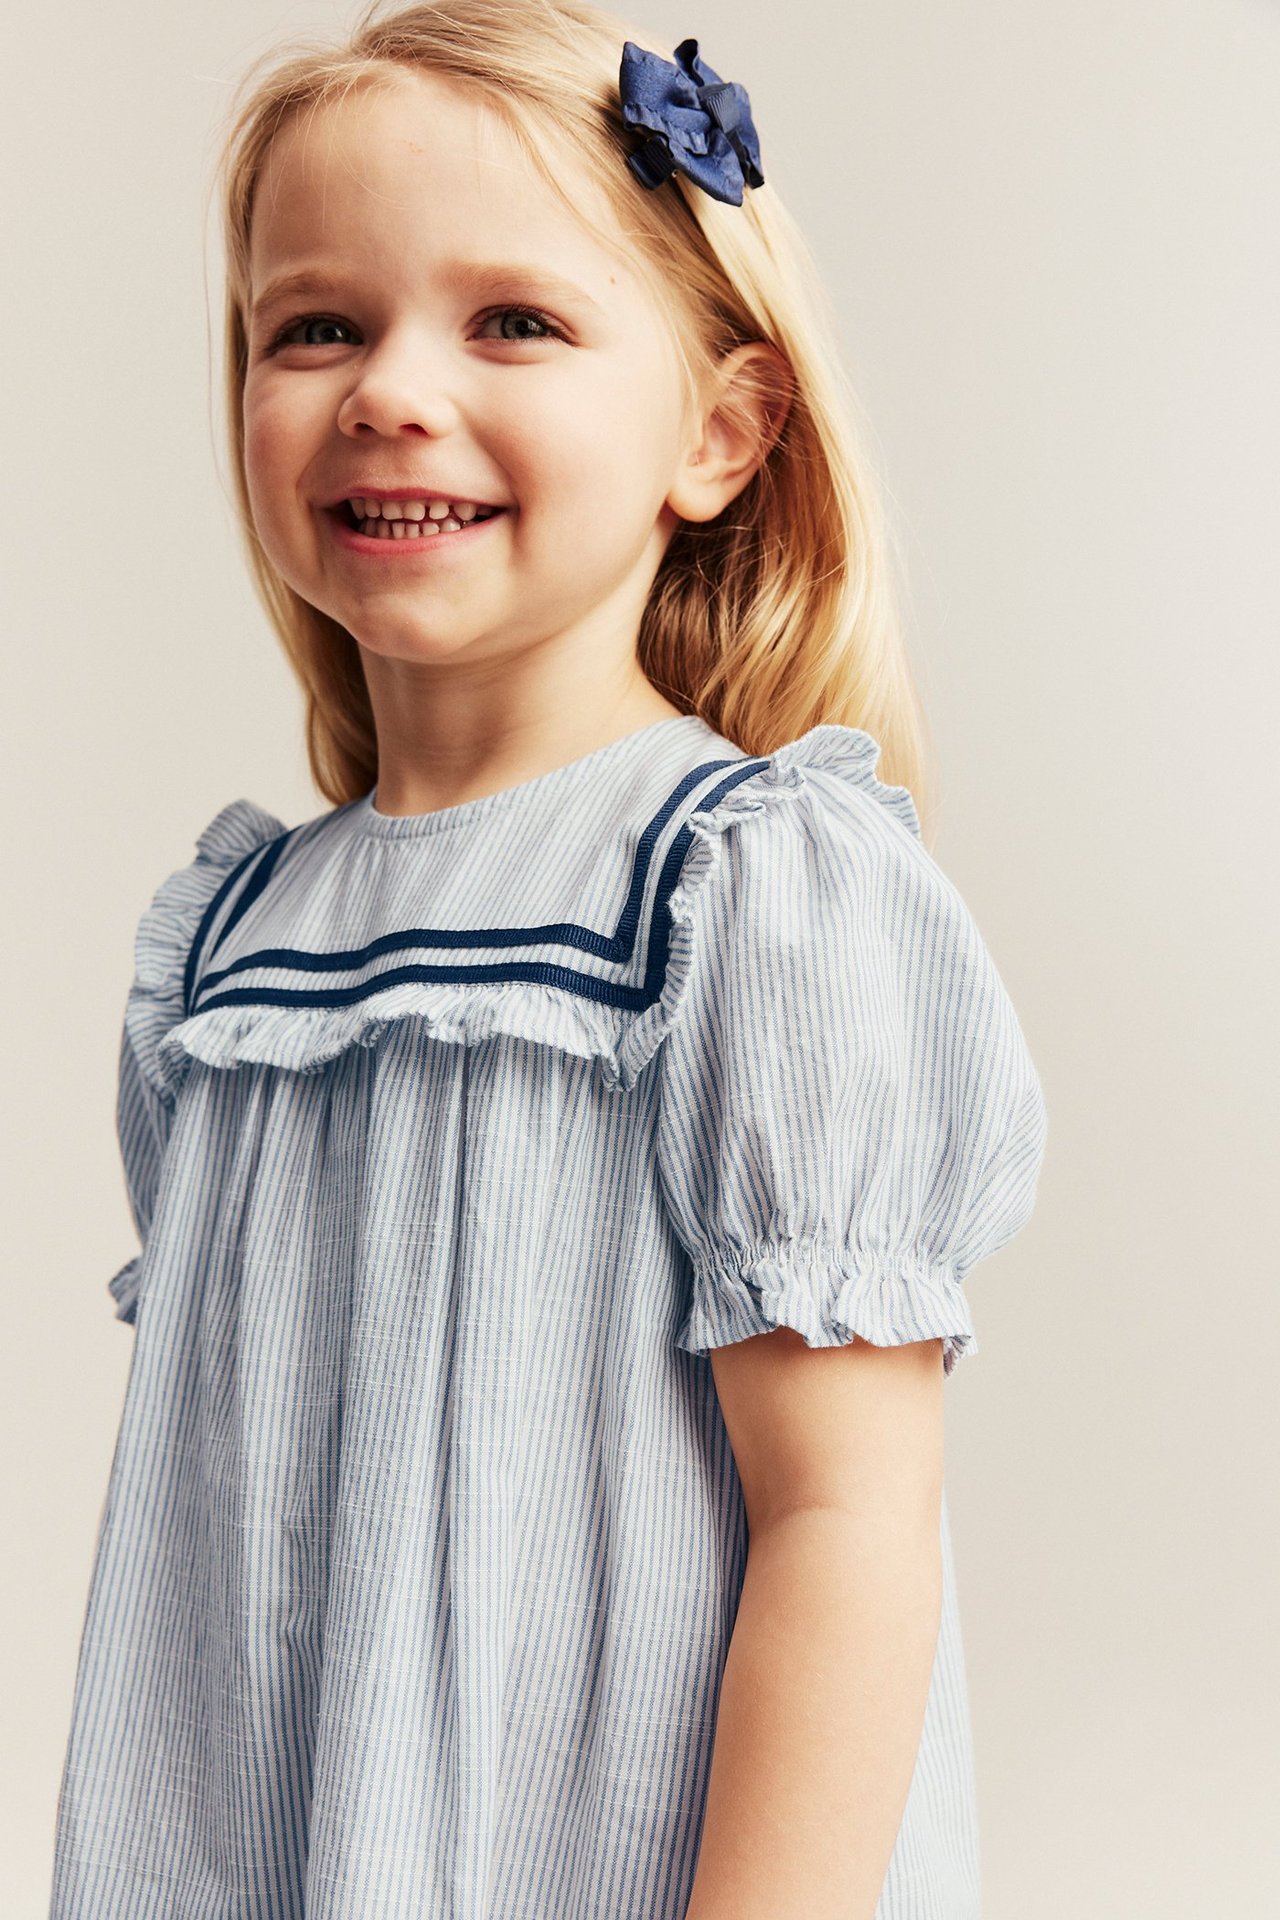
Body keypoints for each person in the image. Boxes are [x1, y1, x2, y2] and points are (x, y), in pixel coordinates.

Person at [49, 4, 1049, 1916]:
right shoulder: (232, 955)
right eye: (313, 327)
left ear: (719, 431)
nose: (389, 391)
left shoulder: (747, 893)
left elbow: (845, 1521)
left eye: (512, 320)